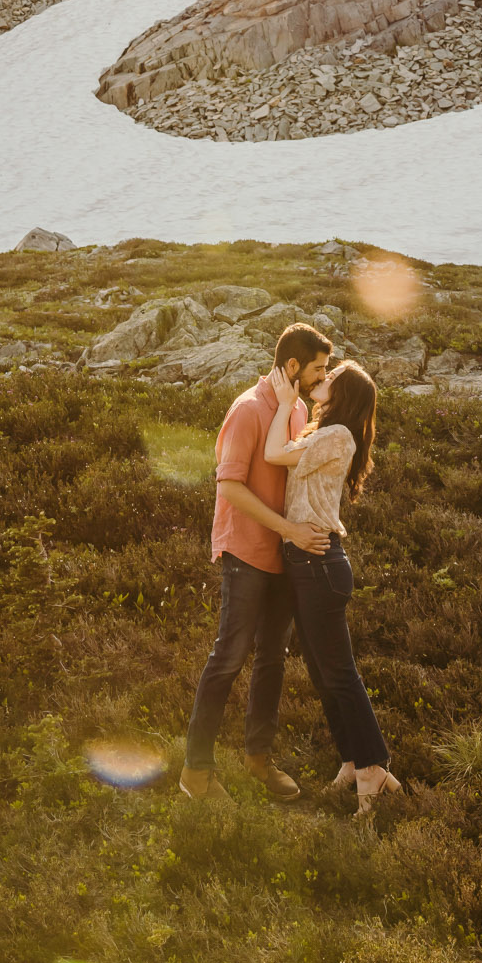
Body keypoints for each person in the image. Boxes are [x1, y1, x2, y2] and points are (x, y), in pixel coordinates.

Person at [179, 323, 334, 803]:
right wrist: (289, 530)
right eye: (317, 369)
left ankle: (258, 758)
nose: (320, 377)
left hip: (284, 558)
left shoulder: (300, 410)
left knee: (272, 659)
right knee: (229, 657)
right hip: (246, 555)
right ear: (292, 366)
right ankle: (196, 773)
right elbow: (227, 488)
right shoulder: (247, 410)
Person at [263, 358, 402, 815]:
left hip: (319, 562)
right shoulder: (329, 433)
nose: (323, 380)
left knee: (339, 674)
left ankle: (372, 766)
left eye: (331, 378)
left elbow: (274, 454)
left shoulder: (336, 435)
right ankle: (352, 759)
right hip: (309, 562)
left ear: (344, 395)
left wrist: (286, 403)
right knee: (325, 675)